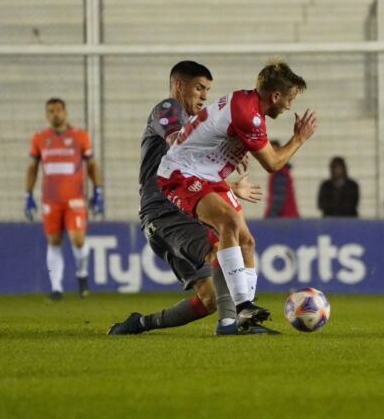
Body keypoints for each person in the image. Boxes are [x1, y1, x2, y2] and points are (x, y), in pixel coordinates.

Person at [108, 61, 272, 336]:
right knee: (223, 244)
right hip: (165, 211)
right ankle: (232, 324)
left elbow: (192, 173)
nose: (204, 96)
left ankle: (139, 324)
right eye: (199, 88)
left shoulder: (197, 128)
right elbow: (179, 146)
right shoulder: (169, 109)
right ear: (178, 85)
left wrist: (229, 185)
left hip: (170, 214)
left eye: (207, 89)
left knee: (210, 298)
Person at [157, 57, 317, 331]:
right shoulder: (249, 114)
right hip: (179, 174)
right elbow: (273, 164)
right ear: (275, 95)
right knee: (228, 221)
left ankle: (246, 320)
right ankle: (243, 307)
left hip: (208, 175)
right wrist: (299, 138)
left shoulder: (247, 103)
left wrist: (230, 153)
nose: (290, 106)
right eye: (289, 99)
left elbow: (213, 132)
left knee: (247, 243)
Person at [25, 98, 103, 301]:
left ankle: (82, 276)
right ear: (46, 114)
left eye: (58, 110)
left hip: (75, 199)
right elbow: (33, 168)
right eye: (50, 111)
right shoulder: (40, 139)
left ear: (65, 112)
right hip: (51, 200)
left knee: (78, 240)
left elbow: (92, 165)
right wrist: (28, 194)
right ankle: (57, 288)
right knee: (54, 241)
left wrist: (98, 191)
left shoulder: (80, 136)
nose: (55, 114)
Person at [264, 139, 300, 218]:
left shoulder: (280, 174)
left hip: (285, 220)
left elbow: (278, 200)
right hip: (288, 219)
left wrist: (268, 219)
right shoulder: (281, 172)